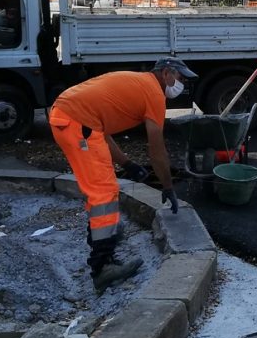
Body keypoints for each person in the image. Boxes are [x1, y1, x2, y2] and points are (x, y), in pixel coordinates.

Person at [49, 57, 196, 292]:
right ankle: (102, 268)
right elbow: (157, 149)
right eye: (180, 78)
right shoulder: (154, 94)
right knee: (103, 194)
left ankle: (104, 254)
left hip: (72, 117)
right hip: (75, 122)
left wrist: (127, 164)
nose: (182, 84)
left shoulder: (138, 83)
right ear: (166, 73)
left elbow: (100, 131)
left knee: (103, 190)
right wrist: (168, 186)